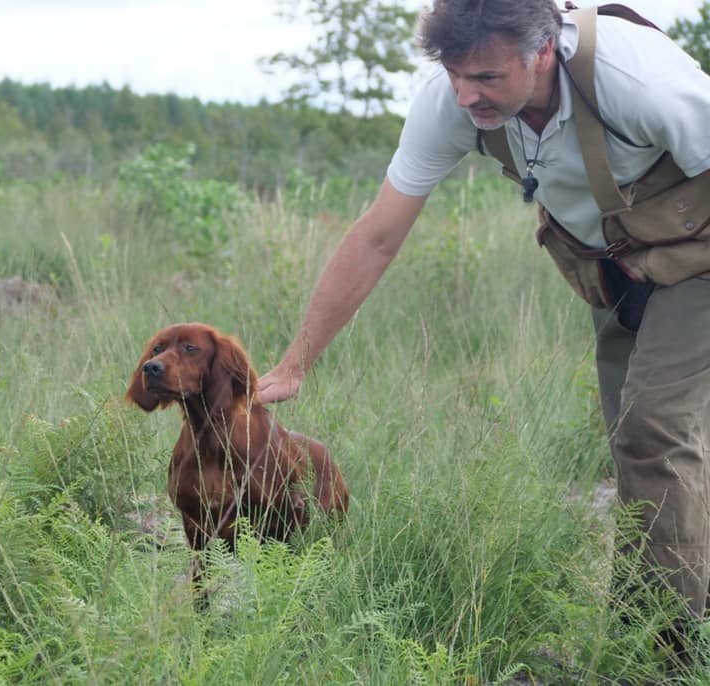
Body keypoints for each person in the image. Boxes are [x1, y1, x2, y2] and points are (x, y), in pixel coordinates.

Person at [257, 0, 710, 667]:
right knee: (636, 450)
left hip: (699, 263)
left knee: (654, 433)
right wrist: (296, 362)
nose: (468, 94)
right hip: (615, 276)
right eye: (455, 74)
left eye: (488, 78)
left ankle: (659, 656)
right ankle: (659, 630)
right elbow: (378, 235)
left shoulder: (635, 79)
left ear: (543, 52)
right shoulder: (451, 104)